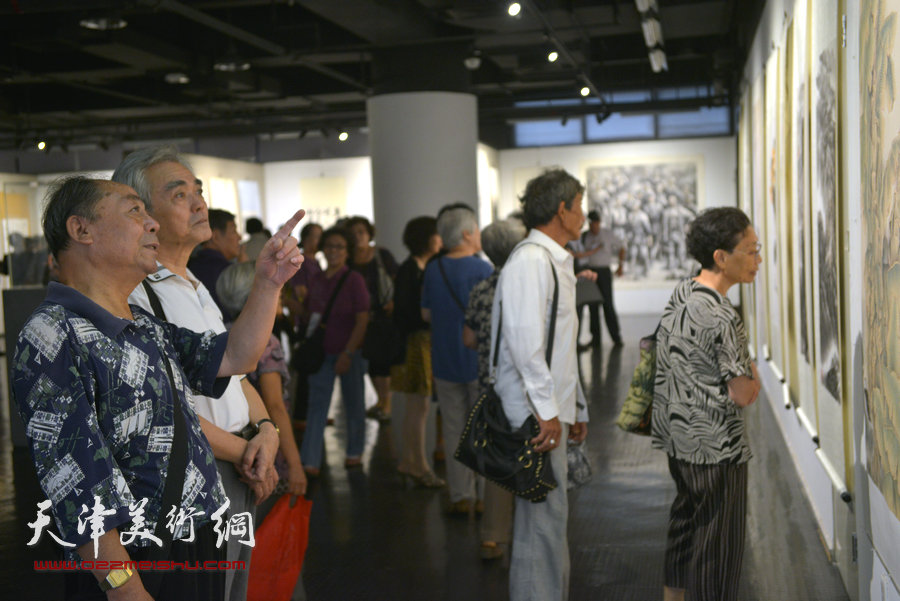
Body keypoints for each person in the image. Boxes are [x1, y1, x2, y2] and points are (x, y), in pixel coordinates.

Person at [12, 176, 303, 601]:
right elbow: (75, 480)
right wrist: (123, 587)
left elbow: (234, 357)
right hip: (139, 561)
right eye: (134, 211)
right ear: (82, 230)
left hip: (196, 539)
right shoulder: (52, 334)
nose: (153, 225)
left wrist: (268, 284)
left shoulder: (142, 324)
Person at [112, 147, 283, 601]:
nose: (199, 203)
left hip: (239, 458)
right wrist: (247, 451)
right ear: (141, 213)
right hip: (208, 468)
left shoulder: (192, 282)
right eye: (180, 194)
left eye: (199, 191)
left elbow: (235, 371)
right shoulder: (138, 295)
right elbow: (166, 412)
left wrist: (266, 428)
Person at [652, 207, 761, 601]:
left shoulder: (683, 291)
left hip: (678, 437)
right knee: (718, 547)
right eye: (750, 251)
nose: (758, 260)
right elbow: (742, 393)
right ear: (721, 256)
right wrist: (752, 372)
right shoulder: (722, 314)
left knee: (685, 527)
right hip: (717, 448)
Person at [491, 169, 589, 601]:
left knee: (550, 520)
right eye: (580, 205)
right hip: (535, 416)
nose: (583, 215)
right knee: (540, 524)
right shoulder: (532, 260)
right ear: (562, 209)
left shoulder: (553, 260)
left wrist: (575, 408)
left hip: (549, 412)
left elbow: (561, 349)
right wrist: (548, 412)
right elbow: (526, 344)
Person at [421, 204, 493, 515]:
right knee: (483, 429)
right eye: (476, 229)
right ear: (466, 233)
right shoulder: (484, 270)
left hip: (444, 360)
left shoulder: (433, 269)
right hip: (479, 362)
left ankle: (460, 495)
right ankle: (484, 496)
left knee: (453, 428)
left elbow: (425, 313)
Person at [462, 218, 526, 560]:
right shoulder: (527, 288)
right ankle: (528, 534)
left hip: (492, 385)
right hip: (526, 387)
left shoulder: (482, 289)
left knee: (497, 461)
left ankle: (492, 536)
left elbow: (468, 338)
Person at [217, 262, 307, 502]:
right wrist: (295, 463)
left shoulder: (220, 332)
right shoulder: (267, 342)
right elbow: (275, 405)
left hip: (235, 445)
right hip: (265, 445)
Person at [299, 227, 370, 476]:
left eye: (339, 247)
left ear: (348, 251)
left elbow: (362, 320)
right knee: (317, 406)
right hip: (321, 352)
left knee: (354, 405)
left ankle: (354, 452)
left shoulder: (354, 280)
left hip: (349, 354)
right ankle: (309, 461)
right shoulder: (317, 279)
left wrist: (348, 353)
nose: (333, 251)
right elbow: (310, 314)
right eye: (329, 246)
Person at [391, 216, 444, 488]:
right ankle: (418, 465)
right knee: (419, 405)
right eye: (436, 235)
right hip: (415, 343)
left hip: (422, 341)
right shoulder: (411, 269)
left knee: (417, 406)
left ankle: (410, 461)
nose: (440, 239)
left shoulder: (424, 266)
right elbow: (405, 312)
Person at [347, 216, 399, 422]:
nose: (358, 236)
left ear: (369, 233)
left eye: (361, 231)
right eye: (354, 233)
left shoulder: (380, 254)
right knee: (369, 361)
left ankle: (386, 404)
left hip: (381, 315)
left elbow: (397, 278)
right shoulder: (349, 259)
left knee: (382, 362)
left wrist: (394, 302)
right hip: (359, 317)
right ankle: (380, 401)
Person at [572, 209, 625, 347]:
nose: (594, 226)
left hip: (604, 272)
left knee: (608, 304)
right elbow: (581, 254)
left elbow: (621, 247)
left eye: (596, 223)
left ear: (599, 223)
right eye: (591, 223)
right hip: (591, 271)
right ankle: (596, 339)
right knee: (592, 305)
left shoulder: (607, 234)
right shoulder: (585, 236)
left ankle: (616, 337)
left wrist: (621, 265)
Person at [188, 208, 243, 319]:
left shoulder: (190, 267)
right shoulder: (227, 273)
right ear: (216, 236)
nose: (239, 237)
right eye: (233, 231)